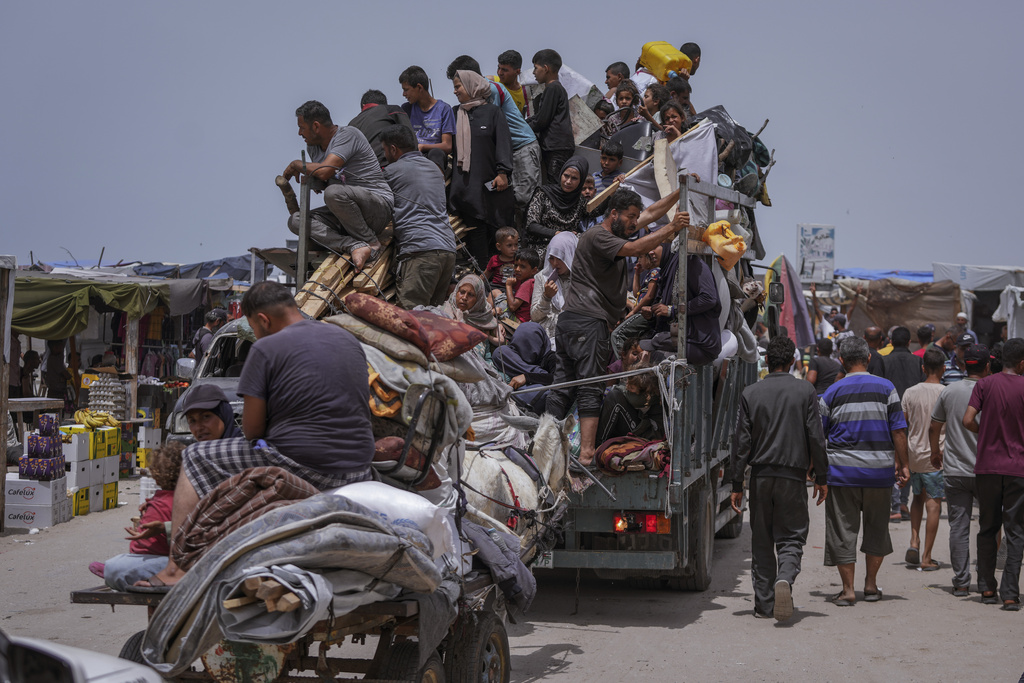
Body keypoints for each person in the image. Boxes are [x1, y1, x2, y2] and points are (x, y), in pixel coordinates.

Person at [136, 282, 375, 589]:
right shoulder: (348, 340)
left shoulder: (266, 348)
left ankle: (176, 569)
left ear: (263, 320)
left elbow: (252, 430)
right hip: (358, 468)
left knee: (195, 456)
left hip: (306, 465)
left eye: (255, 328)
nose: (257, 336)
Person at [545, 188, 688, 466]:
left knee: (563, 386)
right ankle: (586, 454)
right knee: (589, 386)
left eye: (636, 217)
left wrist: (678, 192)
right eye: (630, 217)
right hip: (587, 322)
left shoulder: (616, 230)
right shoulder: (599, 236)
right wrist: (672, 227)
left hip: (572, 321)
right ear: (614, 214)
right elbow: (636, 248)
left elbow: (650, 213)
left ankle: (547, 446)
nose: (635, 223)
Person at [730, 335, 829, 621]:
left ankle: (764, 605)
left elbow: (741, 443)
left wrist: (737, 484)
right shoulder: (805, 391)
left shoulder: (751, 392)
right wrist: (821, 476)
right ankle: (784, 577)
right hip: (793, 477)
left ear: (767, 361)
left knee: (761, 540)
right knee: (791, 537)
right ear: (792, 361)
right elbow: (816, 436)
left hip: (761, 477)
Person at [819, 337, 910, 606]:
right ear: (869, 358)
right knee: (877, 529)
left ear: (841, 361)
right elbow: (899, 431)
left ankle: (847, 591)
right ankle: (870, 586)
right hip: (879, 474)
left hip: (842, 474)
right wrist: (904, 464)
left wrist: (816, 471)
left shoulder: (832, 392)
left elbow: (819, 434)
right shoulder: (887, 388)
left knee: (842, 530)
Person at [283, 101, 394, 272]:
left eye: (302, 128)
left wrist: (297, 165)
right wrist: (314, 178)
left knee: (333, 193)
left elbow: (326, 171)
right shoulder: (313, 148)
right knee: (296, 221)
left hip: (376, 208)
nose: (299, 133)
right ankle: (353, 245)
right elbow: (323, 178)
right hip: (345, 214)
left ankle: (372, 244)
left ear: (316, 126)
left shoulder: (348, 135)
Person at [963, 337, 1024, 610]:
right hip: (1018, 469)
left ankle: (987, 587)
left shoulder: (984, 384)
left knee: (987, 527)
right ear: (1022, 363)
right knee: (1015, 531)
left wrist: (985, 432)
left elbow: (967, 420)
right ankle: (1010, 593)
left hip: (986, 467)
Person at [446, 55, 541, 215]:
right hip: (509, 151)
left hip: (522, 147)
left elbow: (490, 127)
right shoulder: (471, 100)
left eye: (459, 82)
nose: (455, 89)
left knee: (526, 199)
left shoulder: (490, 90)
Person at [930, 344, 990, 596]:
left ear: (963, 364)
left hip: (955, 470)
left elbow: (934, 427)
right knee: (989, 526)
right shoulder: (993, 390)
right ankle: (986, 584)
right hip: (988, 470)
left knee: (959, 527)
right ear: (987, 366)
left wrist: (935, 452)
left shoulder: (949, 391)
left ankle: (962, 582)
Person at [379, 124, 457, 309]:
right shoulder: (434, 169)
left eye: (384, 150)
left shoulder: (391, 172)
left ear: (393, 149)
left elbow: (376, 203)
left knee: (411, 318)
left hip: (420, 252)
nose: (385, 155)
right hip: (447, 250)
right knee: (433, 317)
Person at [448, 70, 515, 271]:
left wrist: (503, 172)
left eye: (458, 86)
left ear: (471, 86)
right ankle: (482, 279)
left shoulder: (493, 112)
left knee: (497, 230)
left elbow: (503, 143)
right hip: (466, 185)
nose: (455, 91)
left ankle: (500, 282)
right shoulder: (455, 113)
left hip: (491, 184)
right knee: (475, 232)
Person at [95, 442, 185, 590]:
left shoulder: (175, 501)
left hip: (162, 559)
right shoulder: (168, 498)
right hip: (155, 557)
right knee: (123, 562)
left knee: (115, 566)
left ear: (156, 476)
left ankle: (116, 573)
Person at [902, 349, 948, 572]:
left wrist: (900, 459)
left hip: (914, 454)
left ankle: (914, 541)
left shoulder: (910, 392)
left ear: (923, 368)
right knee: (934, 504)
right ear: (944, 369)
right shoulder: (946, 393)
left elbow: (902, 426)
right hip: (936, 456)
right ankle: (927, 557)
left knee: (917, 499)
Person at [881, 326, 923, 521]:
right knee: (908, 460)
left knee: (892, 459)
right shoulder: (918, 361)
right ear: (909, 342)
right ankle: (904, 502)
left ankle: (894, 505)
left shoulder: (884, 361)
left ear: (891, 342)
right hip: (912, 418)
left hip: (889, 417)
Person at [523, 156, 604, 252]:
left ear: (581, 181)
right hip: (541, 248)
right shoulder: (543, 194)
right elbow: (531, 225)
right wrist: (558, 234)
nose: (568, 181)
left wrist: (614, 188)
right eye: (566, 176)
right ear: (561, 174)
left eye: (574, 178)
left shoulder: (579, 200)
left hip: (567, 250)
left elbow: (596, 211)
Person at [527, 49, 574, 182]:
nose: (533, 72)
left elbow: (542, 120)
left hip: (556, 147)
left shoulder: (553, 88)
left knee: (557, 184)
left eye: (536, 68)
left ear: (546, 68)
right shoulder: (555, 88)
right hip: (557, 146)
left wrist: (521, 128)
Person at [398, 65, 455, 172]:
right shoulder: (407, 109)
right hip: (413, 158)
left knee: (436, 153)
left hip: (435, 158)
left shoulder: (444, 109)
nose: (404, 94)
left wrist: (423, 146)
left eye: (406, 90)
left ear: (419, 87)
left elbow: (447, 145)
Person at [493, 322, 556, 414]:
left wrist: (527, 377)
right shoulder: (516, 353)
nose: (526, 348)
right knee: (500, 352)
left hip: (542, 398)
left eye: (530, 344)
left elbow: (558, 379)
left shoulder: (552, 358)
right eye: (522, 344)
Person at [595, 362, 663, 445]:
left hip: (646, 433)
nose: (627, 387)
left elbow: (631, 399)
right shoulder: (639, 389)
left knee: (615, 398)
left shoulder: (648, 397)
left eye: (631, 388)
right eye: (627, 383)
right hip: (640, 422)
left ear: (644, 391)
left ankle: (598, 444)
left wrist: (616, 387)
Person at [347, 89, 414, 167]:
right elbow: (410, 137)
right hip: (389, 167)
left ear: (363, 106)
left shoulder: (351, 124)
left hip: (362, 174)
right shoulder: (391, 109)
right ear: (384, 104)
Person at [531, 231, 577, 342]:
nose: (555, 263)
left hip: (573, 332)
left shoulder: (582, 279)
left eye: (560, 258)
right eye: (551, 258)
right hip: (546, 334)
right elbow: (535, 316)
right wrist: (546, 297)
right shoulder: (542, 278)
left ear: (571, 254)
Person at [444, 274, 503, 348]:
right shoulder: (442, 312)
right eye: (462, 292)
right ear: (456, 292)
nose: (464, 298)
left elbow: (487, 356)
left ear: (478, 299)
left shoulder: (485, 320)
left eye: (471, 294)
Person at [505, 249, 541, 324]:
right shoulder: (530, 281)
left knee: (495, 293)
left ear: (534, 271)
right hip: (525, 321)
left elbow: (512, 306)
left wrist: (508, 286)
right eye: (516, 265)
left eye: (523, 267)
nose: (517, 269)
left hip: (519, 321)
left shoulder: (527, 283)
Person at [492, 49, 527, 114]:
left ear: (517, 71)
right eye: (499, 68)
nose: (500, 73)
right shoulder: (491, 82)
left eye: (504, 70)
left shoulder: (524, 94)